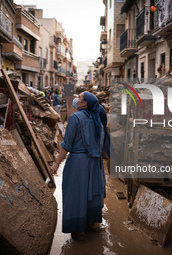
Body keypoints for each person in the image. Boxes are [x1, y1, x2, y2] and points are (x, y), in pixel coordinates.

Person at [50, 92, 109, 241]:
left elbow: (67, 145)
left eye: (79, 98)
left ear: (84, 104)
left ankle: (78, 230)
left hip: (78, 163)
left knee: (75, 194)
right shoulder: (97, 118)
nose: (76, 99)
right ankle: (91, 223)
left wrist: (56, 163)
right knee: (93, 192)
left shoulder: (75, 118)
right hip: (95, 163)